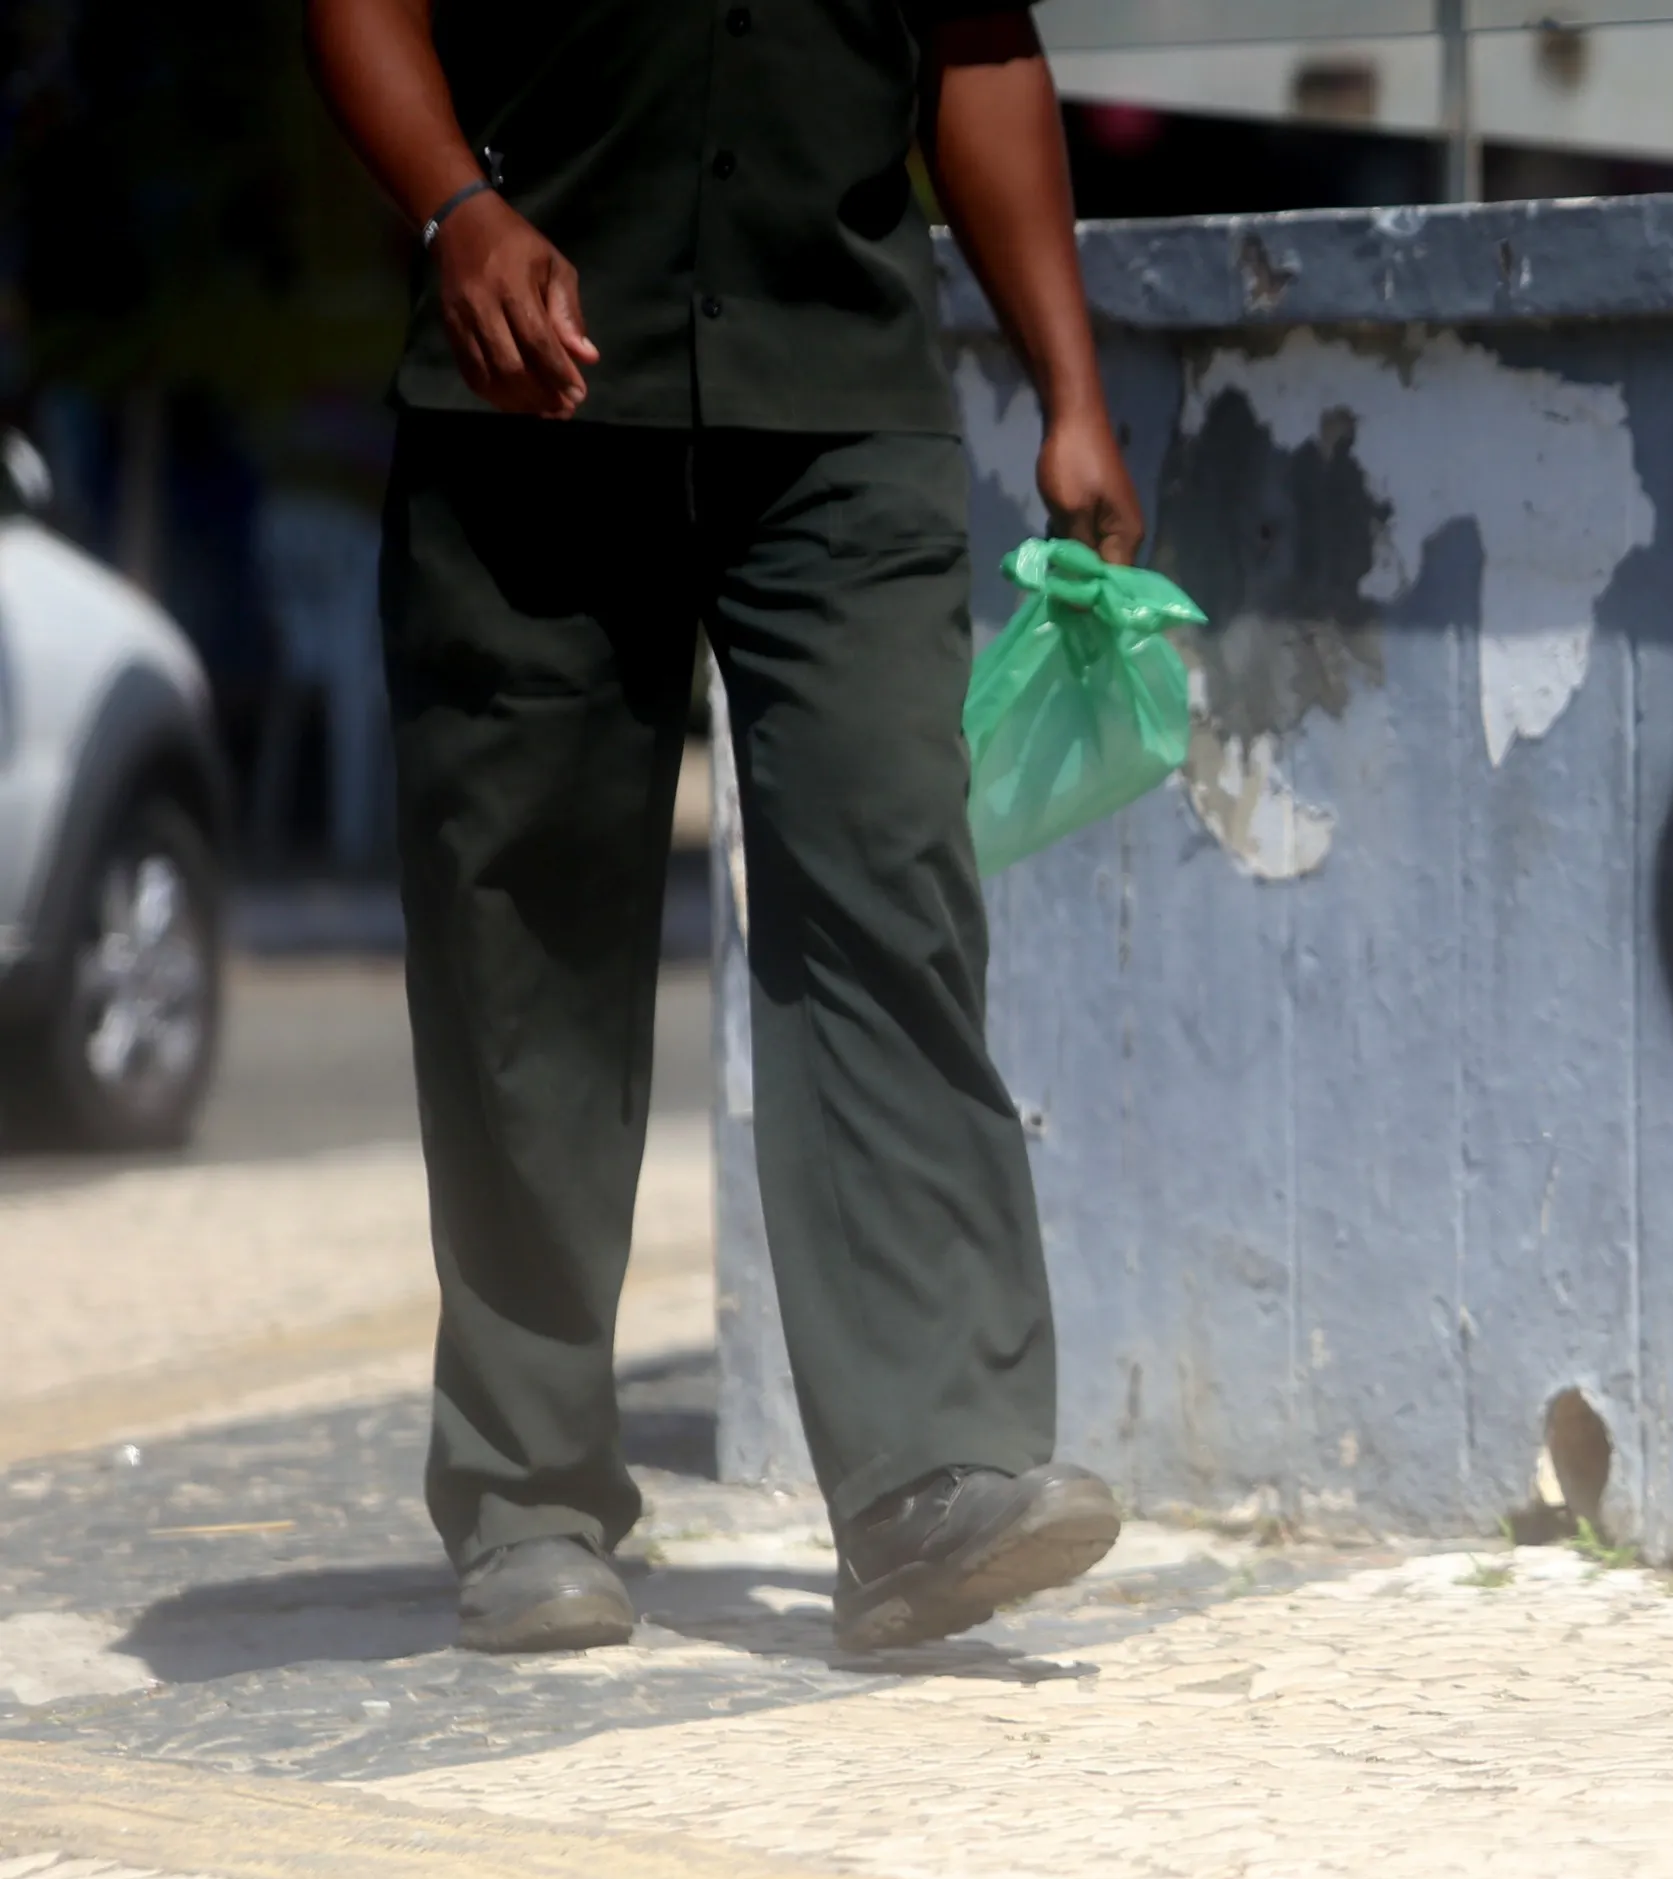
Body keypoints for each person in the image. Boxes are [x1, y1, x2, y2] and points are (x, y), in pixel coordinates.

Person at [306, 0, 1138, 1654]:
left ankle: (931, 1478)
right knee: (520, 939)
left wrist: (1071, 387)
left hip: (841, 417)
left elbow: (977, 48)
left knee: (891, 882)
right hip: (526, 397)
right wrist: (454, 208)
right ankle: (529, 1491)